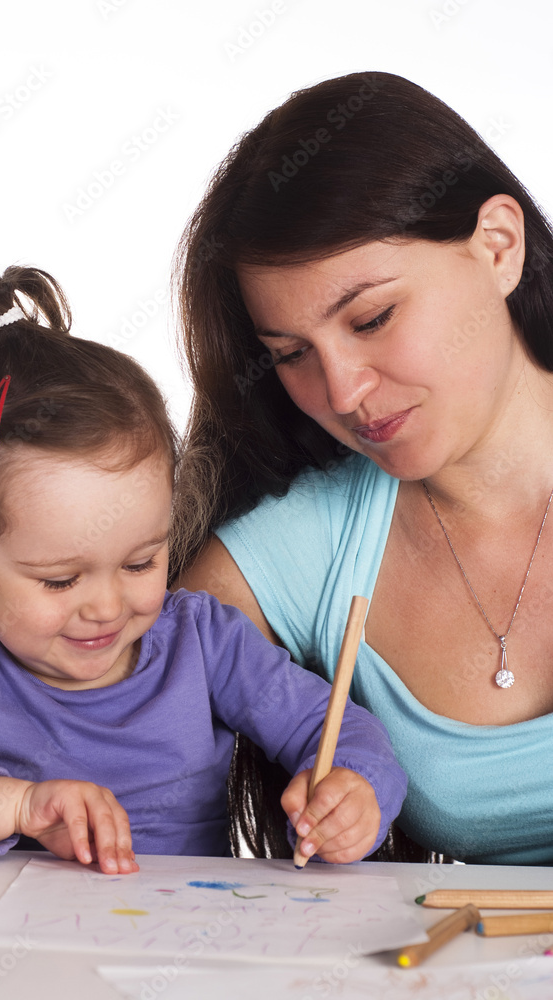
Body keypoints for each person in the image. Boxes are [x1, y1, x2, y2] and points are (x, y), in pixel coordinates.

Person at [0, 266, 406, 874]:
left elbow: (338, 730)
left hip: (191, 929)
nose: (107, 607)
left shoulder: (203, 642)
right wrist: (17, 805)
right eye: (59, 580)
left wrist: (354, 790)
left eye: (140, 562)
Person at [174, 71, 553, 866]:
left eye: (372, 318)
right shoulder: (311, 544)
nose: (341, 392)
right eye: (291, 354)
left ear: (497, 246)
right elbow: (93, 691)